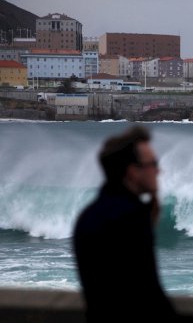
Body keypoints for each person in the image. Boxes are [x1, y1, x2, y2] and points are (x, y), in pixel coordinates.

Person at [73, 126, 178, 322]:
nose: (159, 170)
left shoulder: (87, 217)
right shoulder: (131, 219)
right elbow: (149, 296)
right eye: (152, 164)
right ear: (132, 172)